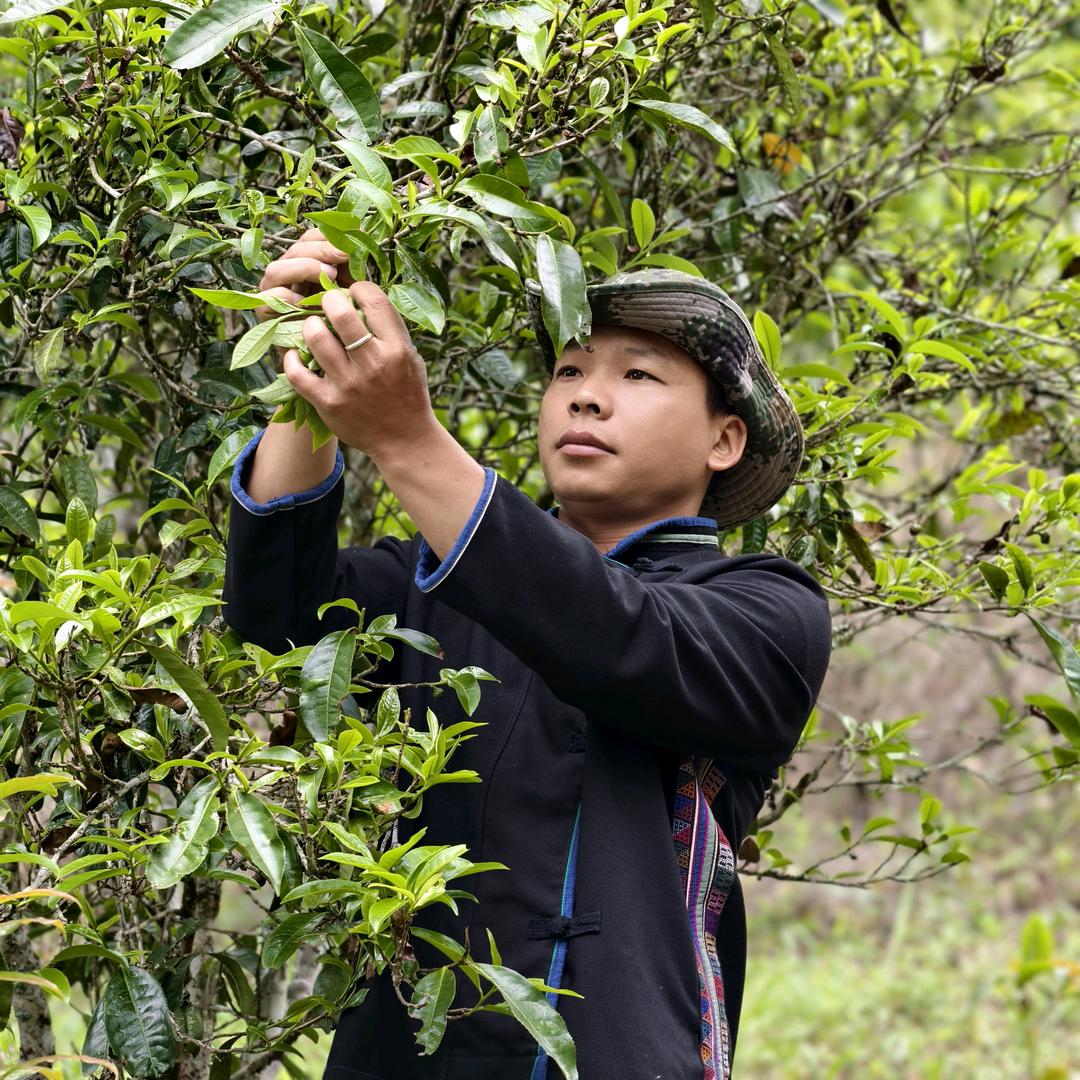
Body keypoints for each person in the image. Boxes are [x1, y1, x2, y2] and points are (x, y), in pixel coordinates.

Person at [222, 229, 832, 1080]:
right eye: (570, 371)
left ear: (723, 442)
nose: (587, 398)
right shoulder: (430, 583)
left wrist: (406, 437)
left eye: (637, 374)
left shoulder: (769, 612)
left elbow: (615, 636)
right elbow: (282, 617)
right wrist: (309, 365)